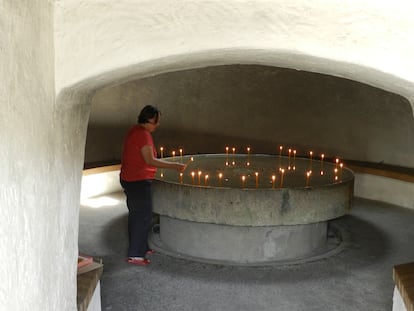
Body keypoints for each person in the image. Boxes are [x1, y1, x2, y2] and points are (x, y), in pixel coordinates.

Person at [120, 105, 186, 266]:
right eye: (156, 121)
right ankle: (135, 254)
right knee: (141, 217)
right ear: (150, 120)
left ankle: (142, 247)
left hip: (131, 178)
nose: (158, 125)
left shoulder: (135, 130)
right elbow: (149, 160)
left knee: (141, 215)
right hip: (137, 181)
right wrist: (175, 166)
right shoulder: (143, 135)